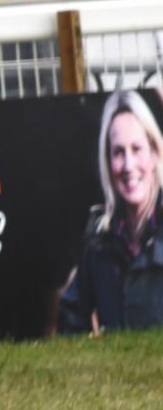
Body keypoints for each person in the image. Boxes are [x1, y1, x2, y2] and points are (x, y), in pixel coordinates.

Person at [54, 90, 163, 334]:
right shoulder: (97, 242)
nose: (128, 165)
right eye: (118, 152)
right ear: (107, 161)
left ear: (155, 153)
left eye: (136, 149)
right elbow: (71, 321)